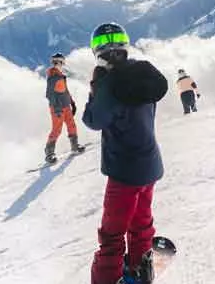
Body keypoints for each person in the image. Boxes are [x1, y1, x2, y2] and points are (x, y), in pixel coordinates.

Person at [82, 23, 168, 284]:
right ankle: (140, 268)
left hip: (124, 173)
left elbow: (93, 120)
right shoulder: (144, 73)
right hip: (150, 165)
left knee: (112, 235)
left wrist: (95, 89)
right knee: (141, 222)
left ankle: (107, 279)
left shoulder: (109, 85)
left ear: (97, 52)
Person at [45, 52, 84, 163]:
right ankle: (49, 153)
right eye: (56, 62)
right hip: (57, 107)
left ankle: (74, 146)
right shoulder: (53, 76)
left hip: (66, 105)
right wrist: (56, 108)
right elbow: (49, 94)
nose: (58, 64)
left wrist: (72, 103)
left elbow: (65, 91)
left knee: (71, 124)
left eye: (60, 62)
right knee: (57, 129)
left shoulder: (60, 75)